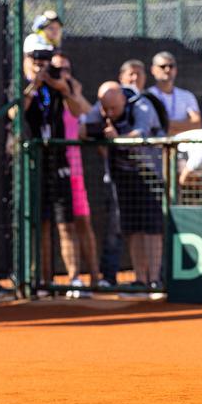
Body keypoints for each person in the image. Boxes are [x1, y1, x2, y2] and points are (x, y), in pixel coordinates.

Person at [15, 33, 88, 292]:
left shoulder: (57, 83)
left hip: (59, 163)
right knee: (41, 224)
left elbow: (79, 111)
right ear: (25, 59)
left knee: (65, 223)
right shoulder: (20, 84)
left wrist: (62, 87)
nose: (41, 63)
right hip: (34, 164)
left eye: (45, 58)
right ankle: (44, 280)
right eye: (36, 58)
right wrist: (32, 87)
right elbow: (15, 113)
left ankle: (75, 278)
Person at [82, 82, 165, 291]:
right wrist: (100, 131)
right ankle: (140, 279)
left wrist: (116, 138)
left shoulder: (142, 106)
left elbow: (140, 134)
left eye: (113, 109)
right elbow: (81, 130)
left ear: (122, 100)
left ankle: (154, 279)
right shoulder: (101, 108)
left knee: (151, 228)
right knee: (132, 228)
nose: (109, 112)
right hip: (122, 176)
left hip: (149, 174)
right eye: (105, 109)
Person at [52, 53, 101, 294]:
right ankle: (73, 278)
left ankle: (95, 277)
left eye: (67, 68)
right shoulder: (49, 99)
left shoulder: (73, 96)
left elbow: (92, 116)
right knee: (65, 226)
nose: (64, 73)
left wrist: (75, 93)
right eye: (59, 69)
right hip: (53, 169)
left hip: (77, 171)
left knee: (84, 223)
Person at [147, 51, 201, 134]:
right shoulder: (147, 96)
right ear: (153, 70)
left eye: (171, 66)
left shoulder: (187, 95)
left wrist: (167, 126)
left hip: (184, 144)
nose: (167, 70)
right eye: (162, 66)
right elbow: (150, 125)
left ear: (176, 70)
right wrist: (184, 125)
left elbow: (196, 123)